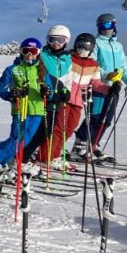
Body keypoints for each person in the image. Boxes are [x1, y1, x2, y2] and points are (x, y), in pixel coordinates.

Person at [72, 13, 127, 161]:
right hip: (97, 86)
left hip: (113, 88)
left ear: (114, 26)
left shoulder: (118, 46)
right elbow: (92, 64)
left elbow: (123, 68)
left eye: (108, 25)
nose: (105, 29)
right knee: (94, 118)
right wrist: (107, 75)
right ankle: (79, 146)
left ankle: (93, 146)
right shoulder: (96, 43)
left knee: (106, 120)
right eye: (101, 26)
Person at [0, 38, 54, 185]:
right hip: (20, 109)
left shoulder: (42, 71)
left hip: (37, 110)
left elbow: (50, 94)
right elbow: (0, 89)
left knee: (24, 142)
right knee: (16, 140)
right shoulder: (13, 70)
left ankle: (4, 163)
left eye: (33, 52)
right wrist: (11, 95)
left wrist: (47, 92)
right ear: (21, 52)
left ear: (38, 53)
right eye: (26, 51)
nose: (29, 55)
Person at [47, 33, 107, 170]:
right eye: (80, 47)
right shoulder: (68, 58)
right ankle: (49, 156)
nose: (82, 50)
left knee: (68, 130)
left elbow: (96, 84)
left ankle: (55, 154)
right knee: (58, 129)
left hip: (78, 102)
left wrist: (110, 89)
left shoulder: (93, 64)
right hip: (64, 99)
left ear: (91, 49)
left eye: (86, 48)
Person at [31, 25, 72, 167]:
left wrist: (66, 91)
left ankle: (41, 155)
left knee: (49, 130)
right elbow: (36, 75)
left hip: (56, 100)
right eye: (52, 39)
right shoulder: (42, 55)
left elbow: (68, 79)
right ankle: (26, 154)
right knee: (36, 128)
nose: (56, 43)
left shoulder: (68, 59)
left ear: (66, 41)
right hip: (41, 97)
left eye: (60, 40)